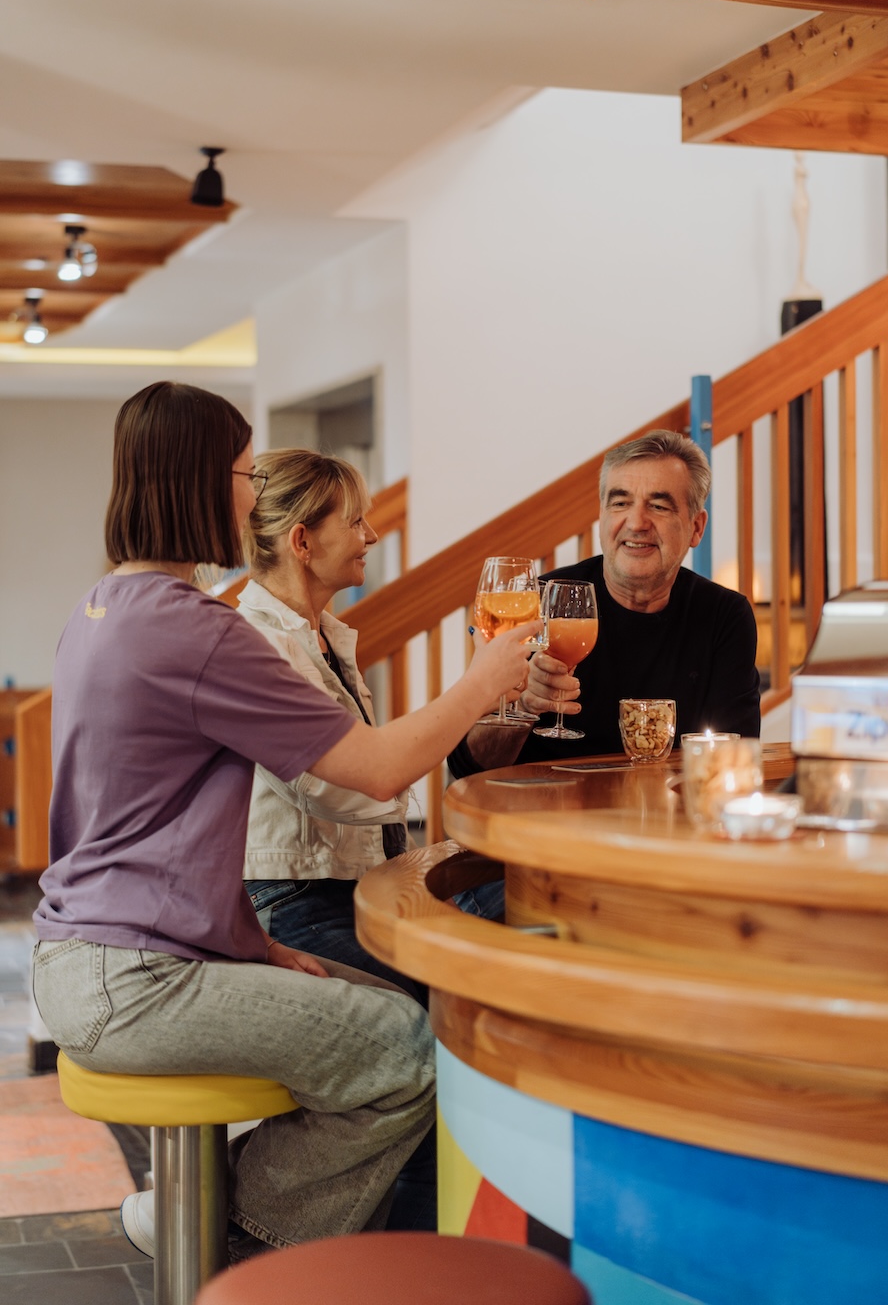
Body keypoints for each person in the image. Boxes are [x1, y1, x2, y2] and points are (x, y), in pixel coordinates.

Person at [31, 382, 535, 1259]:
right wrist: (487, 679)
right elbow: (373, 770)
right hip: (138, 980)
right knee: (409, 1050)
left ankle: (215, 1227)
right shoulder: (200, 632)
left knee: (374, 1019)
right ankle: (239, 1240)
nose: (249, 494)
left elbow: (142, 831)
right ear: (199, 480)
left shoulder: (97, 611)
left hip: (77, 959)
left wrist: (258, 947)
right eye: (241, 471)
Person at [449, 429, 760, 776]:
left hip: (664, 819)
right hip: (538, 821)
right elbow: (468, 765)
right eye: (620, 502)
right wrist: (524, 707)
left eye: (658, 506)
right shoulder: (537, 601)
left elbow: (736, 759)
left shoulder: (724, 615)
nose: (637, 522)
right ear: (602, 517)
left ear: (696, 528)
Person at [236, 449, 427, 1006]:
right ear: (302, 542)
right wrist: (471, 700)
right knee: (435, 1006)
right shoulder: (259, 644)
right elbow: (340, 789)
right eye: (355, 522)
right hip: (291, 901)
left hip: (347, 887)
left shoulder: (323, 638)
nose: (371, 535)